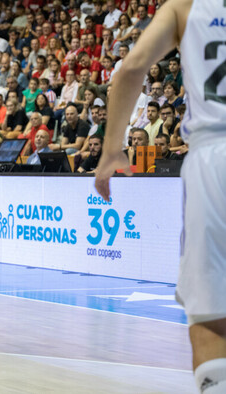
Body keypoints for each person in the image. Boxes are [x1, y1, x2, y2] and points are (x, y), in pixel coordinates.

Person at [94, 2, 226, 391]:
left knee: (213, 322)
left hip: (214, 156)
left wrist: (111, 150)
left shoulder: (186, 5)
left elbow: (133, 67)